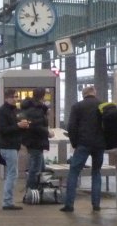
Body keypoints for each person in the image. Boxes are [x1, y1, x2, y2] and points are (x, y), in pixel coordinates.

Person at [61, 85, 105, 213]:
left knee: (74, 172)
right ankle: (96, 204)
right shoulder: (103, 106)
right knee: (96, 172)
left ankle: (69, 205)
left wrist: (74, 143)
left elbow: (71, 126)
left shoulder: (77, 106)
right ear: (94, 93)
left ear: (83, 94)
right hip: (99, 145)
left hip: (83, 143)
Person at [0, 90, 30, 210]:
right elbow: (3, 130)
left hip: (13, 146)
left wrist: (24, 126)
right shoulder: (2, 112)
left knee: (11, 173)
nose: (16, 99)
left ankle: (8, 200)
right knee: (12, 174)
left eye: (17, 97)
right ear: (7, 98)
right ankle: (7, 202)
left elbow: (15, 128)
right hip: (7, 146)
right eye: (14, 97)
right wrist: (18, 126)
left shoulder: (15, 111)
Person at [19, 88, 51, 194]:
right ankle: (31, 190)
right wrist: (48, 133)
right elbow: (36, 126)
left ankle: (39, 188)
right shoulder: (36, 109)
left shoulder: (33, 107)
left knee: (41, 166)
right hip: (36, 141)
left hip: (33, 140)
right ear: (42, 96)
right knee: (36, 167)